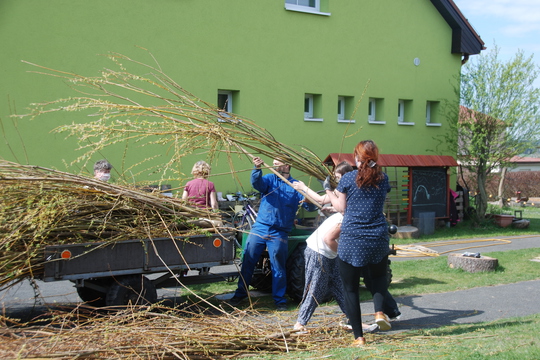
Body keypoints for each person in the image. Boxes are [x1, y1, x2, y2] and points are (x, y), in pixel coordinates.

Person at [324, 140, 398, 347]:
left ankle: (359, 337)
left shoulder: (348, 178)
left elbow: (340, 207)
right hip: (377, 238)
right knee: (378, 278)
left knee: (351, 289)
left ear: (357, 158)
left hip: (353, 239)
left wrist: (329, 190)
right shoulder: (383, 179)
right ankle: (379, 312)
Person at [292, 162, 378, 334]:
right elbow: (328, 238)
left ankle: (354, 322)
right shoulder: (348, 218)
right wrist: (344, 254)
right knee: (315, 288)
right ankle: (299, 324)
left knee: (342, 289)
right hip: (319, 252)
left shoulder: (349, 208)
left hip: (328, 253)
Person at [228, 156, 316, 311]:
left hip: (279, 232)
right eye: (273, 162)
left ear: (287, 165)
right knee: (248, 261)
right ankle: (240, 295)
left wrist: (306, 195)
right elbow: (257, 184)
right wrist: (256, 169)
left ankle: (280, 300)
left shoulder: (295, 186)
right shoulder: (269, 179)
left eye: (277, 162)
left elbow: (310, 207)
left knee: (278, 267)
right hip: (261, 227)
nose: (274, 164)